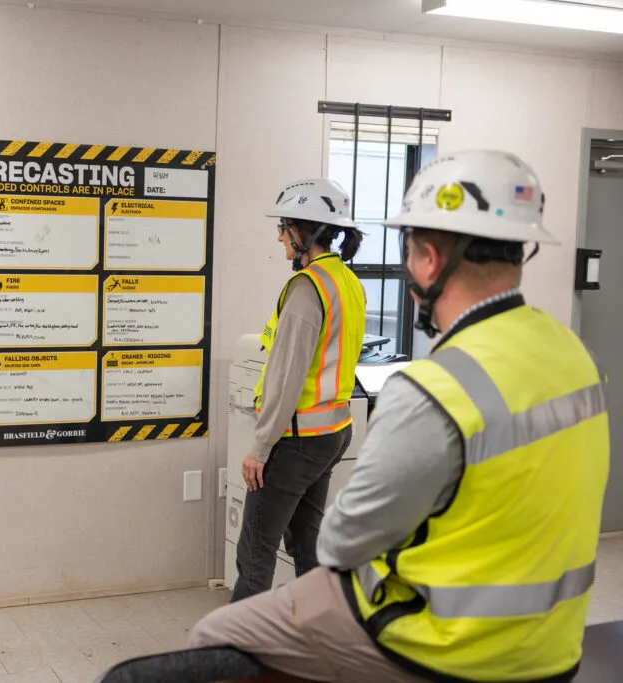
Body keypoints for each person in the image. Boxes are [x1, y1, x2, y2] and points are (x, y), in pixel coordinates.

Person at [189, 150, 609, 682]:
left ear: (430, 258)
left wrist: (262, 444)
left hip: (445, 647)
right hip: (553, 647)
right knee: (310, 554)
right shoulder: (578, 356)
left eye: (409, 251)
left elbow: (349, 542)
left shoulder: (437, 389)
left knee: (215, 635)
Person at [231, 178, 366, 602]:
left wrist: (260, 446)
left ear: (306, 231)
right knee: (307, 544)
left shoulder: (308, 288)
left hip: (295, 439)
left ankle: (238, 654)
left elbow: (287, 375)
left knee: (256, 551)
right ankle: (319, 639)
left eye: (284, 226)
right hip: (332, 431)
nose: (279, 237)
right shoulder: (346, 281)